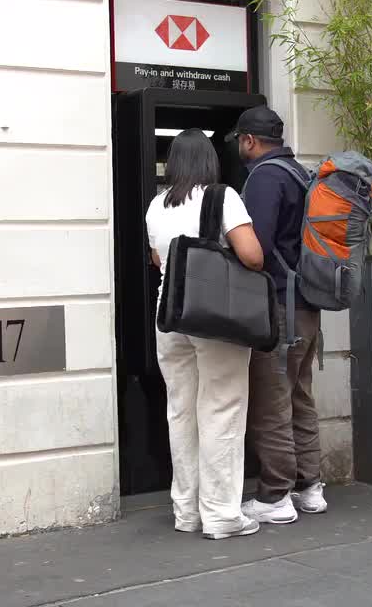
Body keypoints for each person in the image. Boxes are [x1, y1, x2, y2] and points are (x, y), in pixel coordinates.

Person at [146, 129, 265, 540]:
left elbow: (158, 258)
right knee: (221, 410)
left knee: (181, 411)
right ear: (210, 162)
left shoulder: (156, 206)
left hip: (170, 316)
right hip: (214, 319)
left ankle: (186, 511)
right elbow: (252, 255)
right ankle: (221, 515)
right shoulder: (222, 197)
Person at [231, 106, 326, 525]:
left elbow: (258, 249)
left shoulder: (265, 178)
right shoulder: (300, 173)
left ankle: (275, 495)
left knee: (272, 401)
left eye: (239, 140)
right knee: (300, 396)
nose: (239, 147)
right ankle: (310, 487)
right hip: (307, 306)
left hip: (280, 309)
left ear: (249, 140)